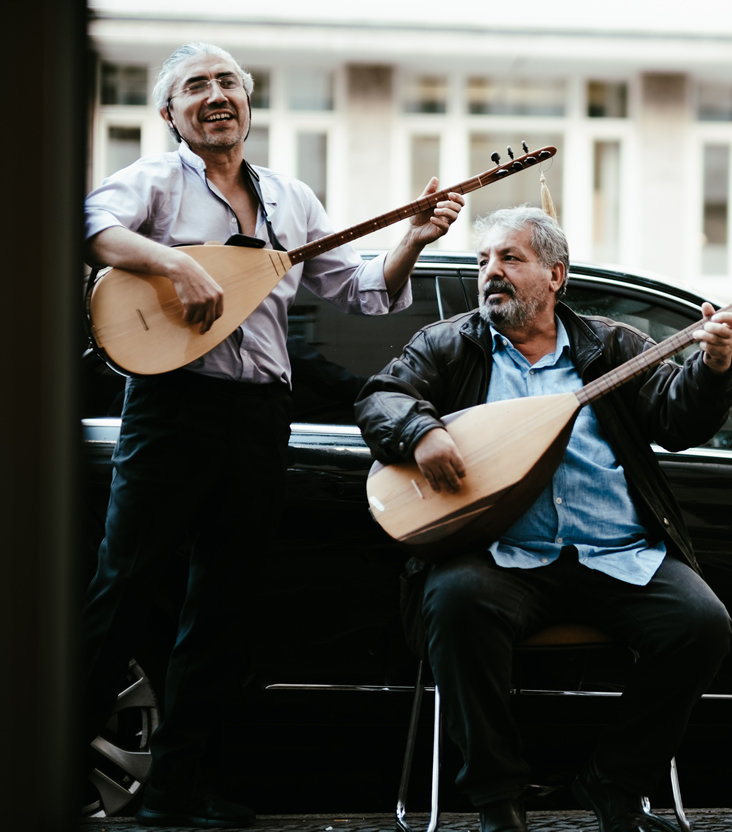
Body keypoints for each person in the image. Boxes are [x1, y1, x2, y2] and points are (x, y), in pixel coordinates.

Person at [81, 41, 462, 828]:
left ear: (248, 105)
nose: (216, 94)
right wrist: (175, 265)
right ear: (170, 113)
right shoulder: (156, 181)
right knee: (121, 594)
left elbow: (361, 291)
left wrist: (414, 238)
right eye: (196, 86)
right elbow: (91, 226)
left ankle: (175, 792)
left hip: (259, 419)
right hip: (170, 408)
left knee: (222, 609)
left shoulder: (291, 197)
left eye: (228, 82)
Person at [355, 206, 732, 832]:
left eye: (510, 258)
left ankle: (615, 783)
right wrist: (419, 431)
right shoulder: (450, 345)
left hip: (618, 554)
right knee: (454, 601)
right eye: (484, 260)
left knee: (702, 624)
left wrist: (713, 367)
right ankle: (498, 800)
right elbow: (383, 397)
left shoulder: (612, 346)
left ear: (556, 274)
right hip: (502, 558)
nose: (491, 271)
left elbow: (677, 419)